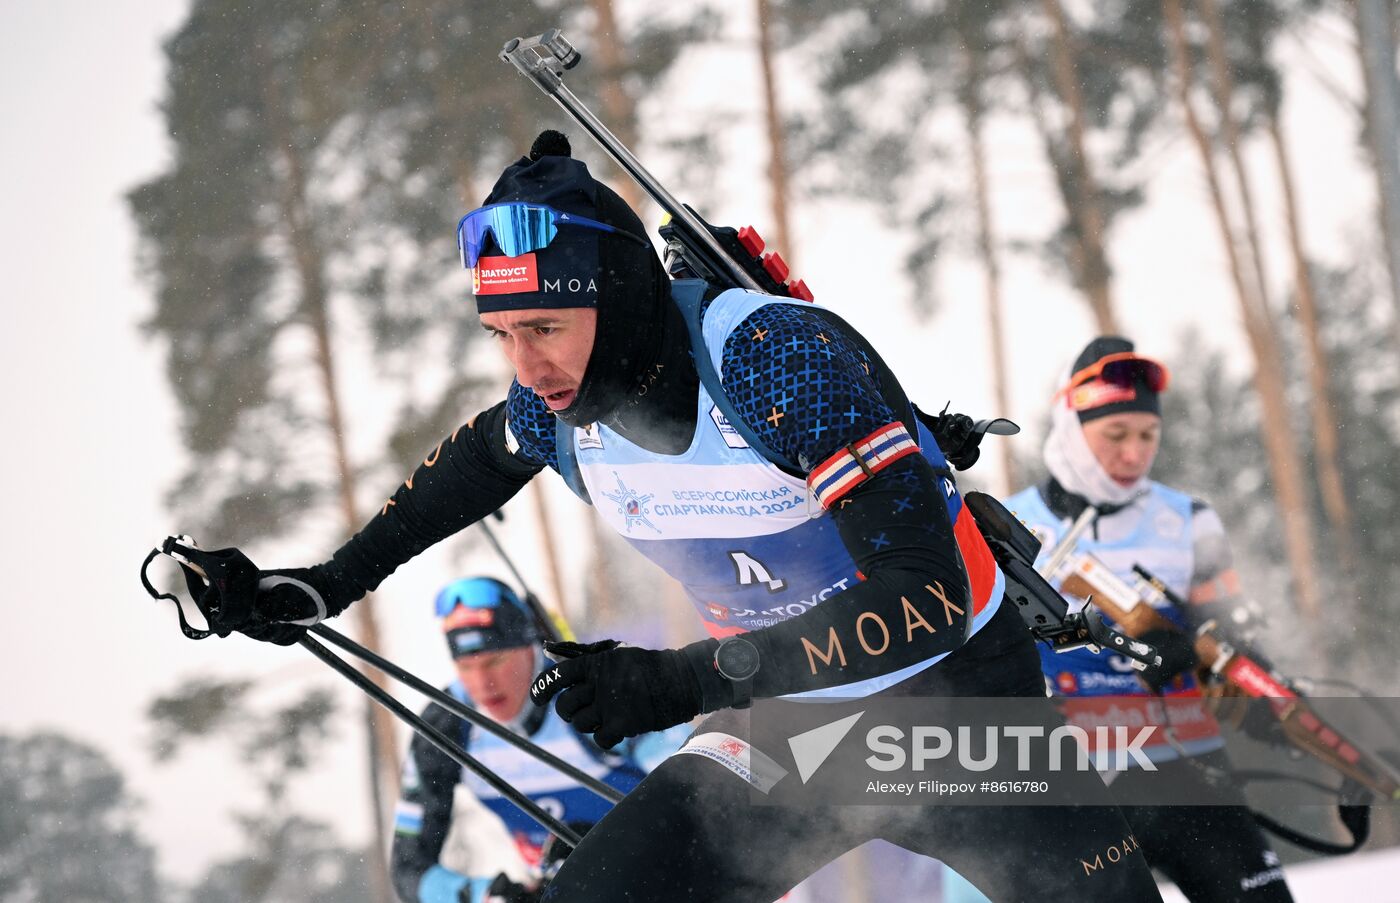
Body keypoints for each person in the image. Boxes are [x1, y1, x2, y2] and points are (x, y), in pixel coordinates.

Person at [201, 131, 1163, 901]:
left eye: (544, 327)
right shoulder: (560, 410)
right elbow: (471, 466)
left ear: (615, 297)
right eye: (502, 334)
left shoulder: (770, 358)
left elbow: (927, 598)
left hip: (954, 707)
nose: (527, 366)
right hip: (783, 731)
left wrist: (679, 679)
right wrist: (325, 584)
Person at [979, 336, 1292, 902]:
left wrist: (1261, 691)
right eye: (1115, 434)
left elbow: (1234, 639)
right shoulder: (1006, 525)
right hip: (1076, 786)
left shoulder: (1190, 520)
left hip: (1191, 774)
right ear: (1071, 427)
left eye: (1148, 435)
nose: (1134, 454)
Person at [392, 576, 681, 903]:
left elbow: (706, 792)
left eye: (496, 660)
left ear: (530, 646)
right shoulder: (446, 725)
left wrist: (616, 848)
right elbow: (408, 866)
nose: (483, 682)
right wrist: (488, 896)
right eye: (466, 666)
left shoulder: (594, 690)